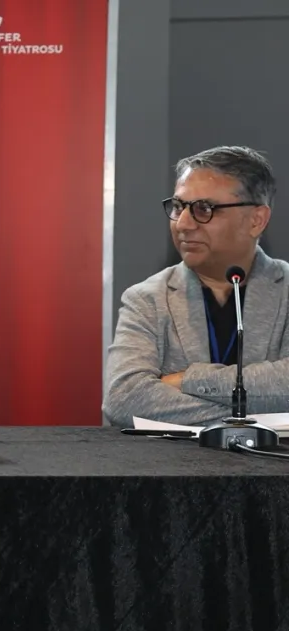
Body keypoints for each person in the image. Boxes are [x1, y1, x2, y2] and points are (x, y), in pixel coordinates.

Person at [104, 145, 289, 427]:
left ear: (257, 220)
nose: (183, 224)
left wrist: (187, 380)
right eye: (179, 207)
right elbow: (124, 399)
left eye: (204, 209)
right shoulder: (147, 298)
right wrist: (255, 417)